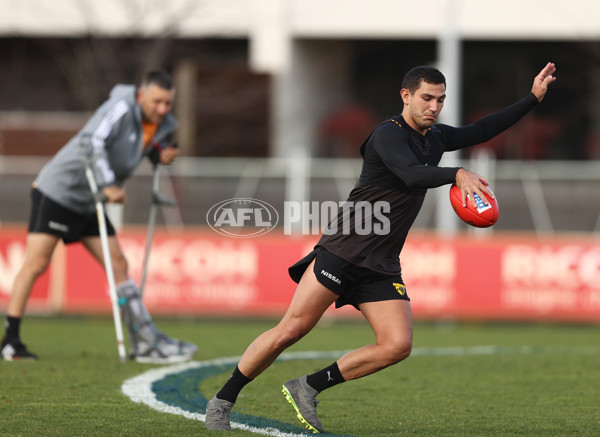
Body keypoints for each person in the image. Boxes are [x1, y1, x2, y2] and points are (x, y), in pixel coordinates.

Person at [204, 62, 557, 433]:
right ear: (406, 96)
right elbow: (410, 173)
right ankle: (222, 401)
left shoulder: (434, 137)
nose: (433, 107)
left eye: (440, 100)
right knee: (291, 329)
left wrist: (531, 99)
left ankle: (308, 386)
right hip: (343, 250)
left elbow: (481, 130)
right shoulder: (387, 135)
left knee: (397, 344)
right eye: (426, 98)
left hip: (382, 262)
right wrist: (455, 173)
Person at [1, 70, 197, 364]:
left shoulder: (153, 125)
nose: (162, 109)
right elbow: (91, 141)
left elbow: (137, 148)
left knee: (118, 263)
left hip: (90, 201)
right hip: (59, 193)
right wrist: (108, 184)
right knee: (37, 263)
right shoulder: (120, 105)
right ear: (142, 95)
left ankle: (144, 340)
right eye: (157, 101)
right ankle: (10, 341)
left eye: (168, 103)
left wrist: (159, 154)